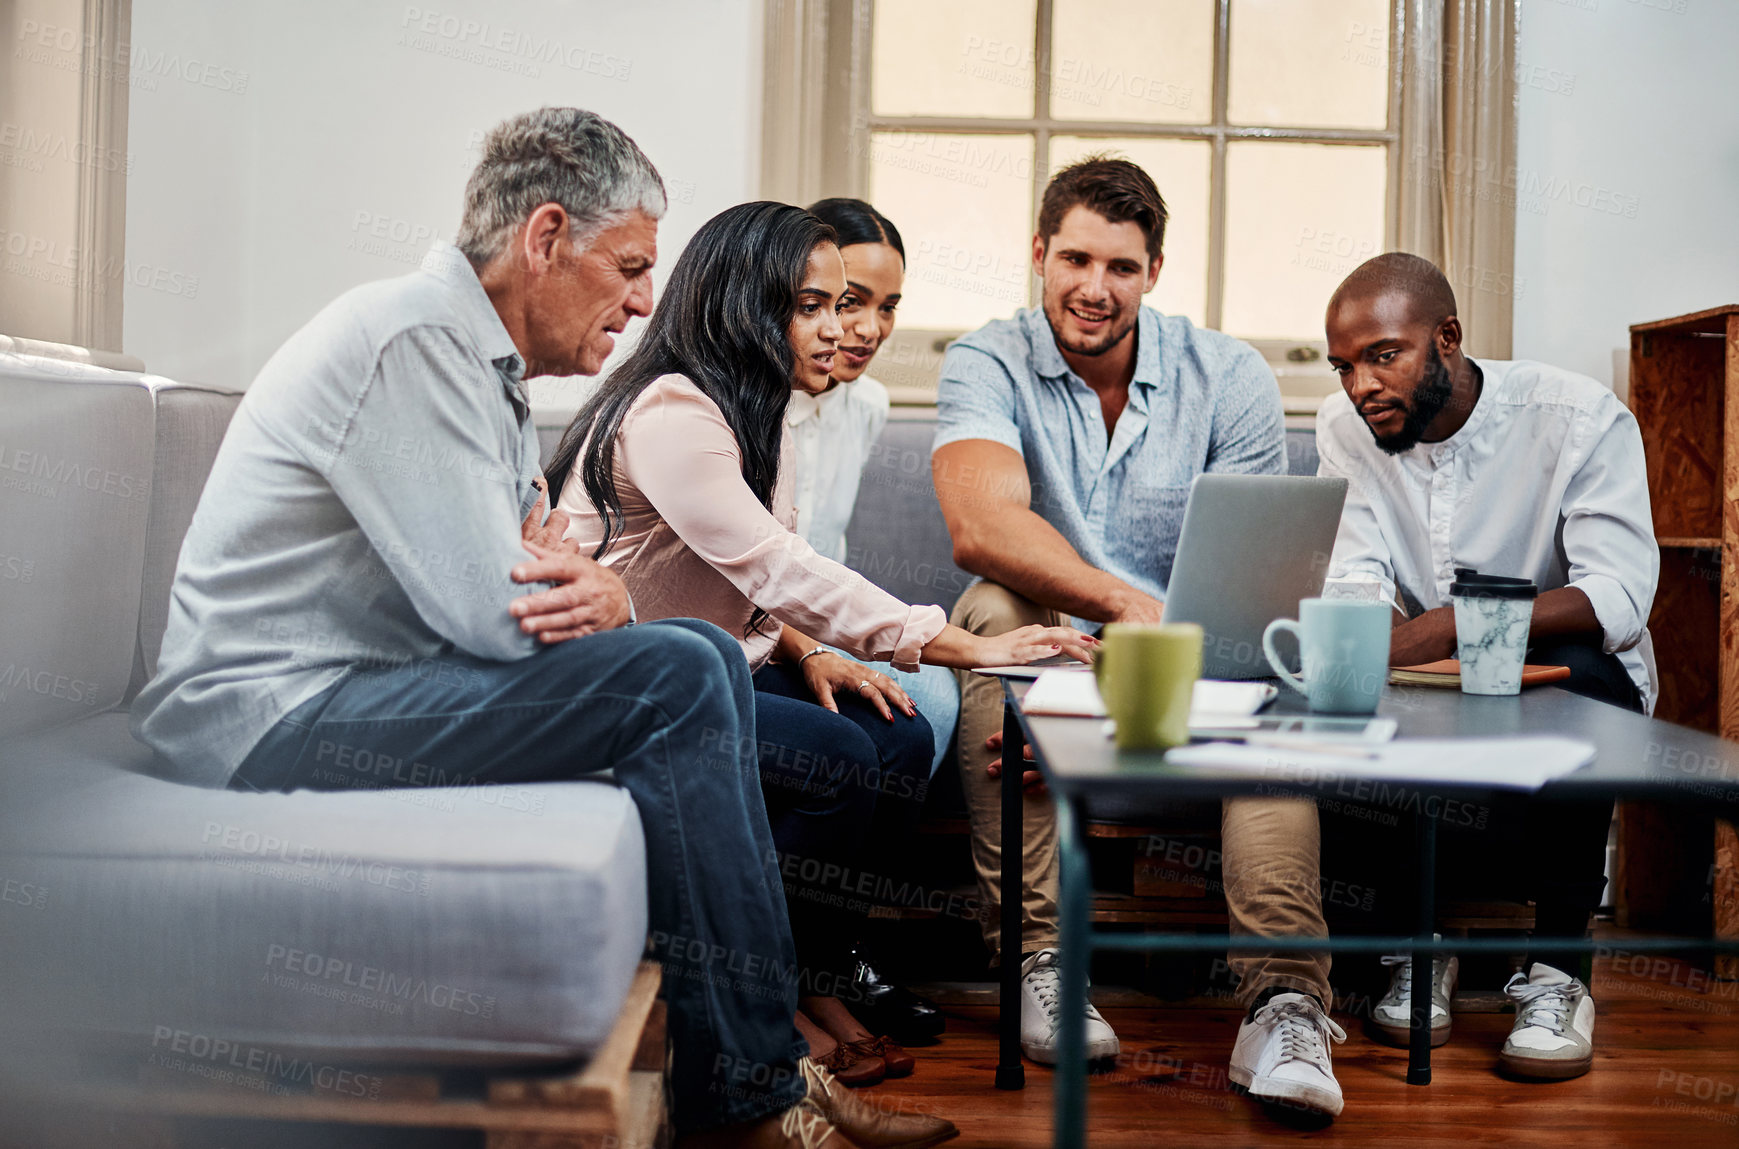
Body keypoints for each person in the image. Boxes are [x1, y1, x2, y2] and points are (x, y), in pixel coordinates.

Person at [131, 108, 954, 1149]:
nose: (644, 300)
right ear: (547, 236)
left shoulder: (479, 367)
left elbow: (524, 555)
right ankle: (753, 1092)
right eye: (628, 265)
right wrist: (604, 601)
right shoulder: (412, 342)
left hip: (353, 685)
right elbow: (501, 612)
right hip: (266, 716)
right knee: (675, 671)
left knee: (692, 656)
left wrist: (576, 587)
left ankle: (759, 1076)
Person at [546, 199, 1094, 1098]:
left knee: (898, 738)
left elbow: (759, 590)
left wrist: (811, 653)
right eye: (812, 305)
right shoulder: (676, 411)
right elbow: (773, 564)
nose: (842, 329)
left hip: (723, 668)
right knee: (836, 758)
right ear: (744, 303)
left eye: (846, 304)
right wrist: (953, 642)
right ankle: (775, 995)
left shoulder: (765, 407)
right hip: (637, 690)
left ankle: (818, 973)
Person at [933, 155, 1347, 1116]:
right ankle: (1039, 962)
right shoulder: (985, 360)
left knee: (1274, 684)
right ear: (1037, 255)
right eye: (1073, 258)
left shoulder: (1228, 373)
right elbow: (981, 528)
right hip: (1050, 653)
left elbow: (1245, 585)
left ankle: (1283, 1002)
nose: (1093, 287)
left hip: (1195, 662)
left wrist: (1136, 672)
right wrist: (1121, 611)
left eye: (1120, 267)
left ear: (1153, 272)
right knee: (994, 607)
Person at [1315, 251, 1658, 1081]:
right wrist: (1380, 644)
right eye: (1344, 365)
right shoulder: (1344, 427)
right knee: (1345, 676)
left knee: (1584, 675)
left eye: (1383, 355)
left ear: (1447, 338)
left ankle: (1557, 970)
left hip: (1560, 675)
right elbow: (1357, 579)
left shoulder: (1575, 415)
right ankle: (1416, 946)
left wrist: (1447, 627)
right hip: (1430, 688)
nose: (1361, 385)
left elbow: (1616, 595)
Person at [792, 196, 960, 1046]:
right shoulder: (751, 397)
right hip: (760, 627)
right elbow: (737, 560)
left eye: (887, 307)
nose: (865, 328)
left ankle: (840, 946)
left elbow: (830, 552)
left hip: (816, 620)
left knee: (925, 706)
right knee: (876, 732)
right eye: (847, 300)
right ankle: (808, 958)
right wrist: (812, 645)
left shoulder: (865, 408)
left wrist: (854, 643)